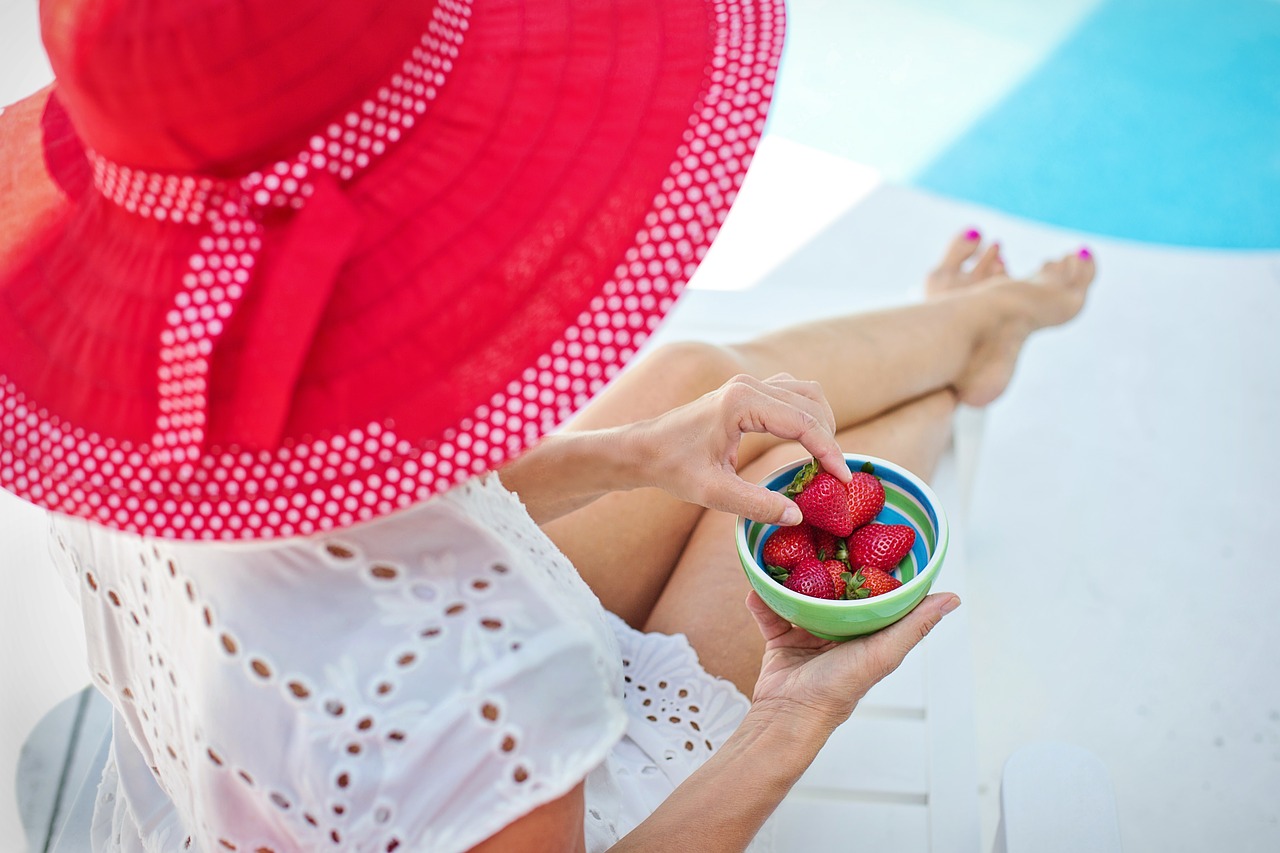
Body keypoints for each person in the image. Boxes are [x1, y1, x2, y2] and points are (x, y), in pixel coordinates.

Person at [0, 0, 1094, 850]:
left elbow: (349, 510)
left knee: (698, 380)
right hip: (507, 782)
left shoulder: (129, 420)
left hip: (282, 770)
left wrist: (628, 456)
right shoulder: (483, 672)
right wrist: (794, 717)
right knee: (828, 462)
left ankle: (968, 330)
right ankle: (965, 352)